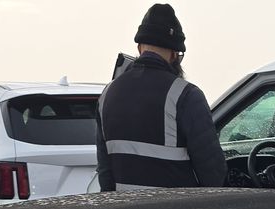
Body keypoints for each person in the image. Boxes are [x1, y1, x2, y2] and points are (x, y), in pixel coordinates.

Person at [96, 4, 226, 191]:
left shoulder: (108, 94)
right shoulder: (186, 95)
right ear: (174, 54)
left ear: (140, 48)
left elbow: (105, 173)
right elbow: (213, 172)